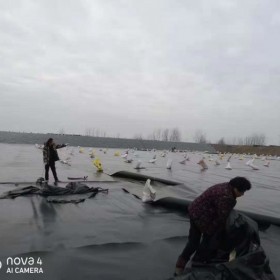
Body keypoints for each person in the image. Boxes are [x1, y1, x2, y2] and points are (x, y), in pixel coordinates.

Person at [175, 176, 252, 276]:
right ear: (235, 188)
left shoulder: (225, 186)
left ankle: (180, 268)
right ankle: (196, 266)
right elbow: (222, 218)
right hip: (201, 217)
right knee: (204, 242)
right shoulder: (227, 197)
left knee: (194, 242)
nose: (242, 194)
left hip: (194, 210)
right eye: (242, 191)